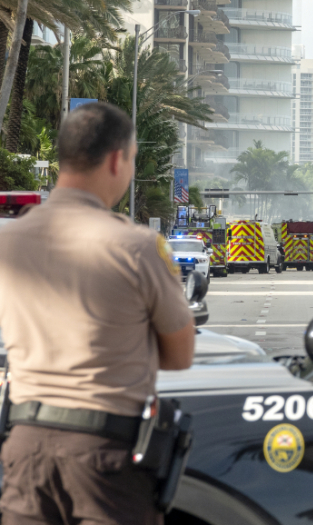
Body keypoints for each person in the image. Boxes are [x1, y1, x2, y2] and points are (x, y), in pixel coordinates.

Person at [0, 102, 195, 525]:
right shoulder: (137, 247)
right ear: (116, 160)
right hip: (104, 459)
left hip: (24, 449)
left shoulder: (9, 243)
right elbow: (180, 355)